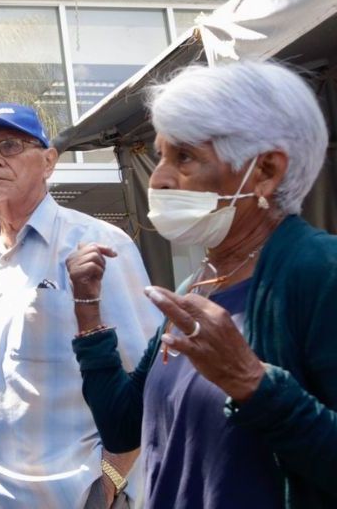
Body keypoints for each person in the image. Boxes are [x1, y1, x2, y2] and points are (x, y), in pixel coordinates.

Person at [71, 61, 337, 509]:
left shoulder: (319, 271)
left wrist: (251, 382)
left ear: (266, 171)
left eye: (185, 157)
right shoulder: (201, 284)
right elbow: (122, 427)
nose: (159, 178)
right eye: (161, 156)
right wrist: (87, 309)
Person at [0, 103, 161, 509]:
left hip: (72, 494)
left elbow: (150, 379)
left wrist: (111, 480)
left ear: (49, 161)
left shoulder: (99, 245)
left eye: (9, 145)